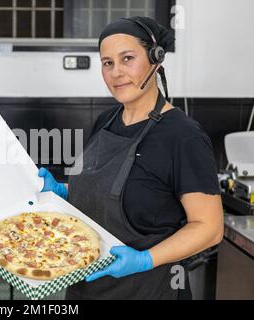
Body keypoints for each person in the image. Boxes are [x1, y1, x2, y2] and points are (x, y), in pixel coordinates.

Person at [38, 16, 224, 300]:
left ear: (155, 60)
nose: (116, 73)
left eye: (127, 59)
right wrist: (64, 191)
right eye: (107, 63)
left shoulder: (183, 136)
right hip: (89, 287)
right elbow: (104, 190)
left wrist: (143, 259)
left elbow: (209, 228)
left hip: (150, 290)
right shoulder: (105, 121)